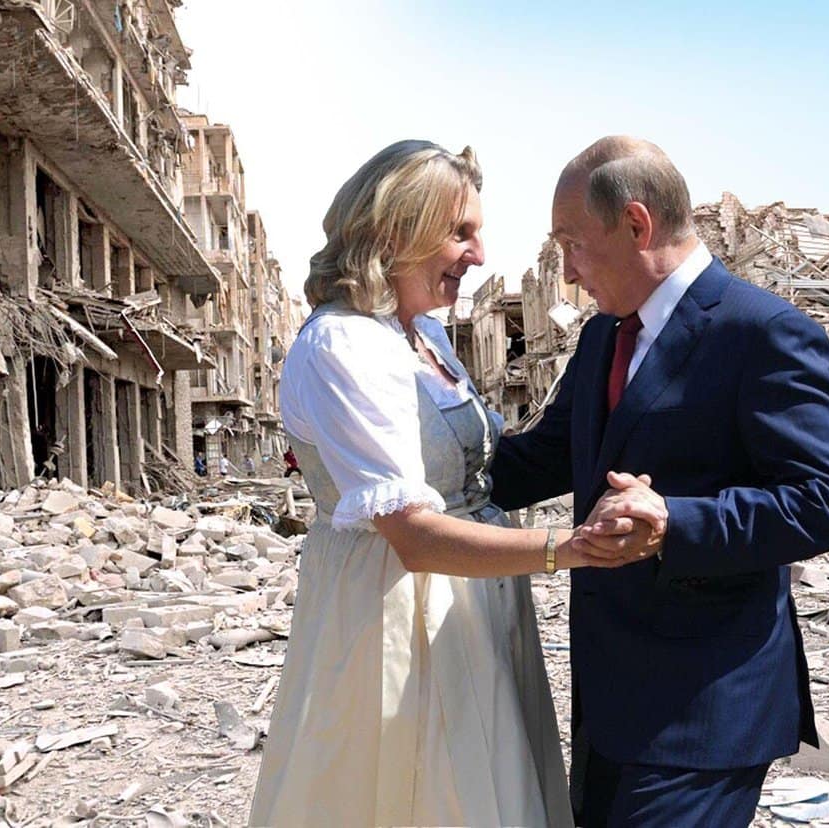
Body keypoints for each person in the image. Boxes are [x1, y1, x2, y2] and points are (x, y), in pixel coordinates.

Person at [248, 140, 661, 827]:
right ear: (394, 231)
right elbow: (411, 536)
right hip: (394, 611)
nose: (478, 254)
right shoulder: (342, 346)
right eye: (459, 232)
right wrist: (571, 549)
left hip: (469, 601)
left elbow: (491, 466)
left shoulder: (424, 337)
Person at [490, 136, 829, 827]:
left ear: (636, 225)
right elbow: (540, 460)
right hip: (610, 703)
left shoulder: (761, 332)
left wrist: (674, 523)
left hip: (706, 710)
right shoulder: (602, 337)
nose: (567, 273)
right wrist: (407, 444)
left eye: (572, 245)